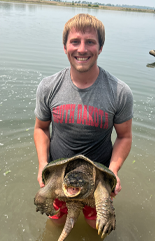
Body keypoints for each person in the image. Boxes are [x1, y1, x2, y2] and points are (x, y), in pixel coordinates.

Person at [34, 13, 133, 229]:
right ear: (65, 46)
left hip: (97, 176)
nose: (82, 49)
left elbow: (124, 136)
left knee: (96, 226)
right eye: (75, 41)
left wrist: (113, 170)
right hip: (60, 174)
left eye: (90, 42)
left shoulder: (119, 92)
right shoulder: (49, 87)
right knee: (56, 224)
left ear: (100, 47)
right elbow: (41, 128)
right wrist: (43, 164)